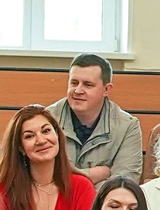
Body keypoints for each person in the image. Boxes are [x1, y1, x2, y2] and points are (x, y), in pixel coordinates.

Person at [0, 102, 94, 210]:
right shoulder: (3, 189)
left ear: (57, 135)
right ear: (21, 148)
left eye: (46, 131)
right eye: (30, 136)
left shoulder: (82, 187)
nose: (41, 140)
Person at [59, 54, 144, 184]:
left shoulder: (128, 126)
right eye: (74, 83)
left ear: (106, 89)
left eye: (87, 85)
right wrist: (95, 174)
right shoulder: (47, 120)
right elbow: (40, 180)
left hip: (101, 204)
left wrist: (75, 182)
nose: (78, 90)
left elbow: (122, 187)